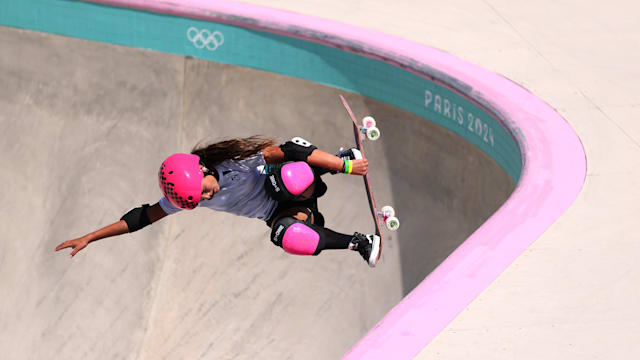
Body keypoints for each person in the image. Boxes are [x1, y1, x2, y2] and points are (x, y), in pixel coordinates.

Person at [55, 136, 381, 267]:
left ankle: (336, 162)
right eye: (197, 202)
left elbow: (294, 149)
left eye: (205, 192)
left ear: (200, 169)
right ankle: (361, 242)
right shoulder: (185, 198)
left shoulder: (236, 161)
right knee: (285, 236)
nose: (206, 198)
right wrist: (90, 237)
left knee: (284, 176)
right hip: (289, 211)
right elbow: (141, 217)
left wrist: (347, 166)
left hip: (297, 182)